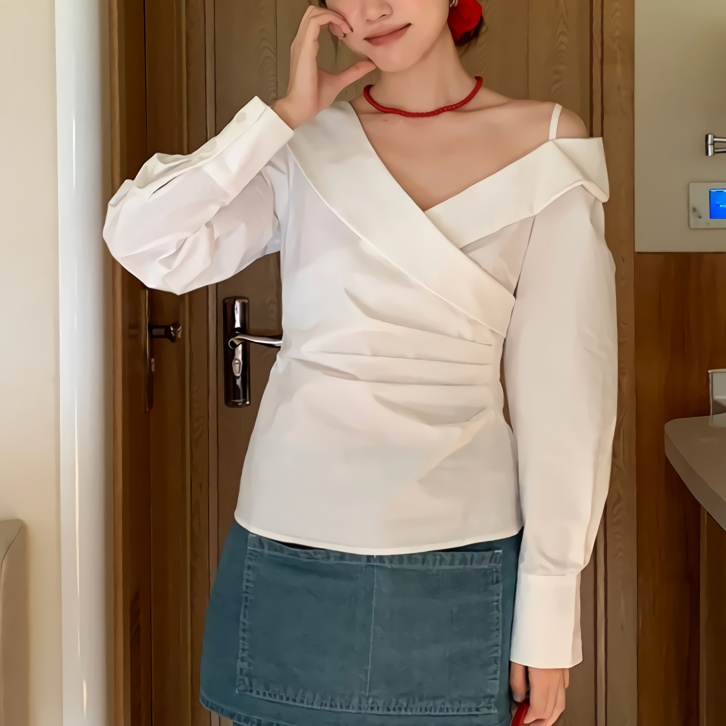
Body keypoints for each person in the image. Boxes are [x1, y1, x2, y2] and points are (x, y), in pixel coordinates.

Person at [103, 1, 618, 725]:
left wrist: (550, 612)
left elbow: (568, 392)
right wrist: (282, 116)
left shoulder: (547, 143)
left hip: (461, 554)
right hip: (287, 543)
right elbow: (145, 242)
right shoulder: (303, 143)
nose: (373, 7)